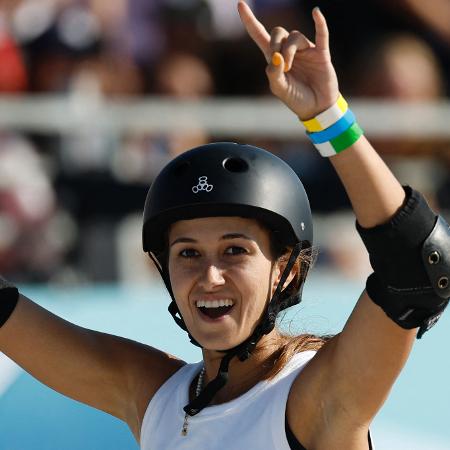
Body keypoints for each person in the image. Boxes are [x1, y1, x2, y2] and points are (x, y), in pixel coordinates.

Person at [0, 2, 449, 449]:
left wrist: (329, 118)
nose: (209, 276)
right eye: (188, 253)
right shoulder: (153, 395)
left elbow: (421, 266)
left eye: (236, 250)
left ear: (287, 270)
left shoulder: (317, 398)